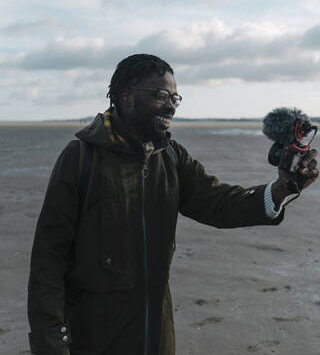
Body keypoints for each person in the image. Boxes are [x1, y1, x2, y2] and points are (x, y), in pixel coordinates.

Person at [28, 54, 318, 355]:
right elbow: (47, 261)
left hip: (156, 335)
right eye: (161, 95)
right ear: (126, 97)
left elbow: (218, 202)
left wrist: (283, 189)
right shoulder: (80, 159)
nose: (171, 106)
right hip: (94, 338)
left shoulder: (171, 157)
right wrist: (50, 343)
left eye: (174, 97)